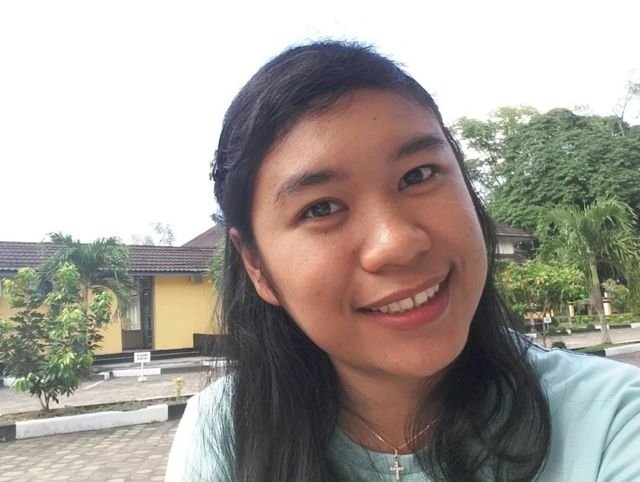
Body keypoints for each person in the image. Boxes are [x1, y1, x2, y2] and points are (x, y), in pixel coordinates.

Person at [166, 41, 640, 482]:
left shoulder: (612, 421)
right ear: (257, 267)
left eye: (418, 175)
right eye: (321, 208)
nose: (396, 243)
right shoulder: (225, 433)